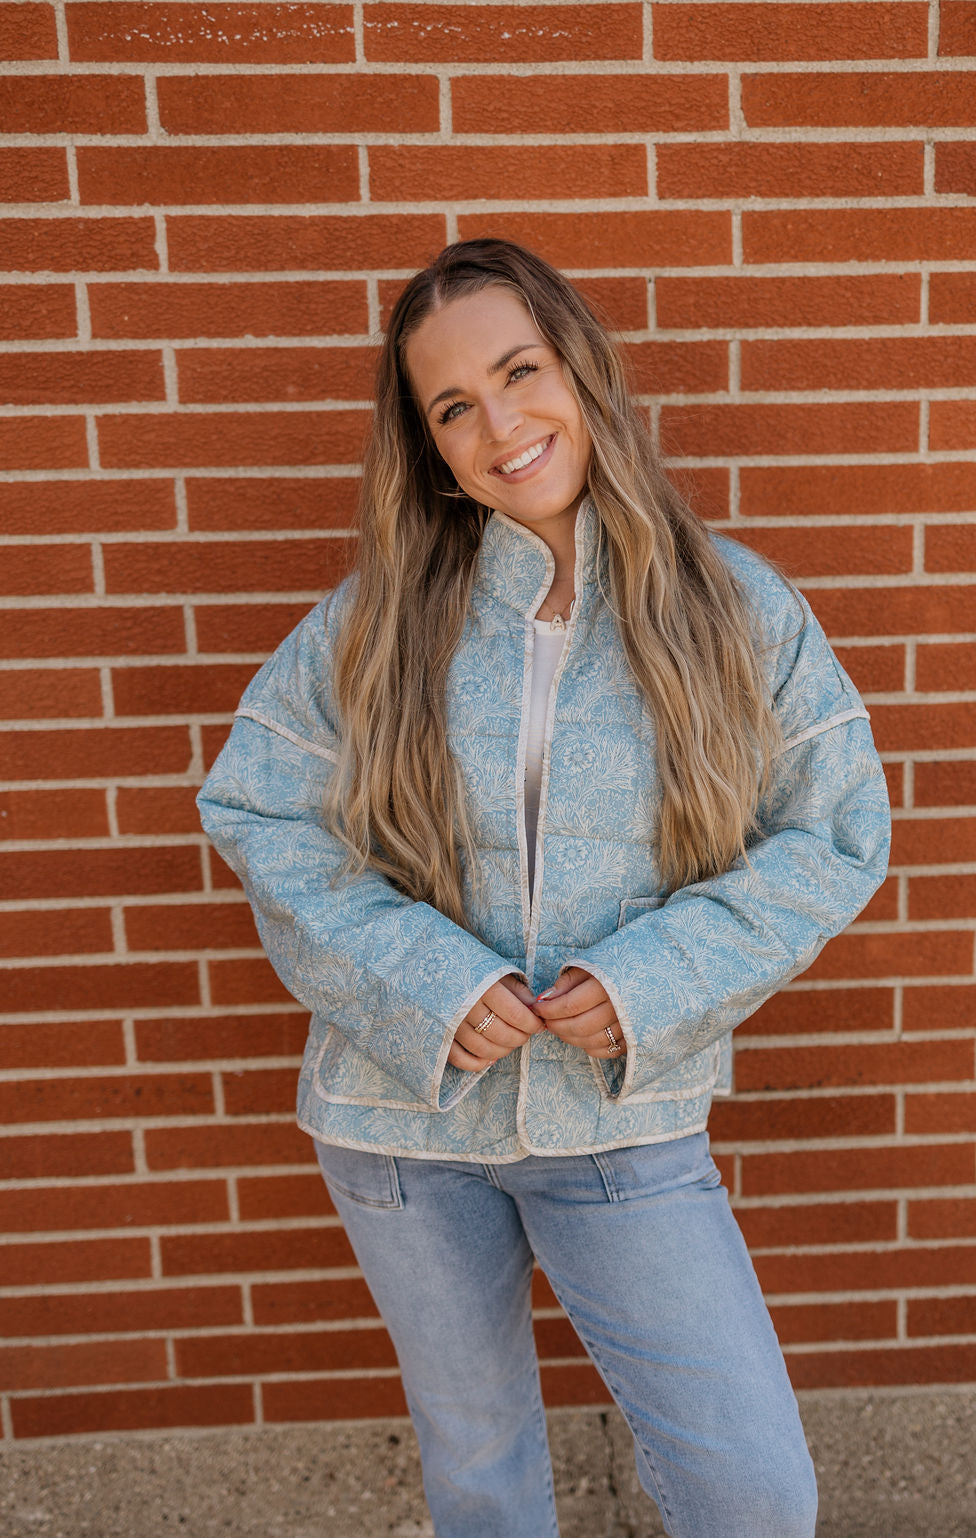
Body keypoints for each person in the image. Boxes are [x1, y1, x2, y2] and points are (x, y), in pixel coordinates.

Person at [197, 237, 890, 1538]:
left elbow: (838, 833)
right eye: (453, 406)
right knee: (482, 1475)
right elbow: (255, 805)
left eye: (521, 372)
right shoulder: (377, 619)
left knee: (751, 1489)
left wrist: (647, 982)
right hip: (401, 1123)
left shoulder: (734, 607)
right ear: (429, 446)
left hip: (621, 1120)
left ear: (582, 367)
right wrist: (428, 978)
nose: (501, 426)